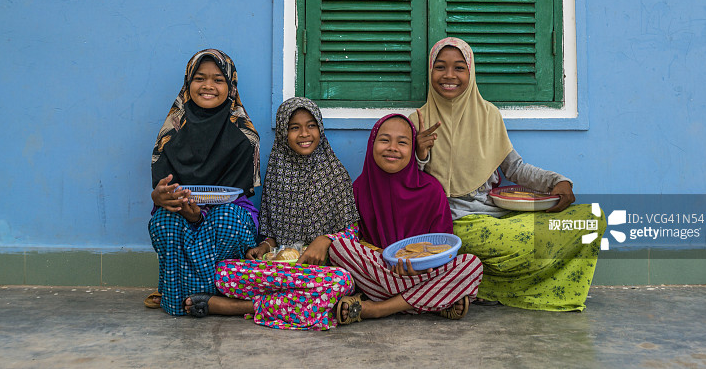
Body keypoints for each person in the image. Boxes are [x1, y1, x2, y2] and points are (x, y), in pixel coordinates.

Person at [408, 37, 605, 311]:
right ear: (430, 71)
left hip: (497, 212)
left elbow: (514, 168)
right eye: (440, 67)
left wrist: (557, 181)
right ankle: (482, 284)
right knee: (520, 240)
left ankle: (483, 285)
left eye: (459, 68)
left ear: (471, 72)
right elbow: (406, 185)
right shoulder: (416, 121)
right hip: (454, 221)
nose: (449, 76)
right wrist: (419, 153)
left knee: (588, 219)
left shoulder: (489, 115)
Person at [183, 97, 359, 330]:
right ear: (283, 134)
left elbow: (353, 232)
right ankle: (297, 305)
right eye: (294, 127)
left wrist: (325, 240)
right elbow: (270, 233)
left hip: (319, 271)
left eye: (311, 125)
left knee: (341, 282)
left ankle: (240, 307)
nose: (304, 134)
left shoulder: (336, 174)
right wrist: (264, 247)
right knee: (223, 273)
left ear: (320, 129)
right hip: (277, 270)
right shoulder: (277, 172)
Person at [328, 114, 483, 324]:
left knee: (471, 265)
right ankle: (435, 300)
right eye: (384, 140)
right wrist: (385, 257)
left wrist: (421, 265)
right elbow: (356, 239)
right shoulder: (359, 189)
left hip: (426, 272)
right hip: (383, 270)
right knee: (338, 248)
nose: (392, 147)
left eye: (402, 142)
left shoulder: (431, 190)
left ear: (412, 150)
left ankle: (378, 308)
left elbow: (445, 247)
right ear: (372, 144)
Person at [146, 49, 261, 315]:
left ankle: (210, 298)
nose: (208, 86)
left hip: (228, 215)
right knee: (165, 222)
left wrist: (201, 216)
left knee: (226, 221)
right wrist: (160, 197)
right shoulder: (171, 131)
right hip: (180, 211)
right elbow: (162, 189)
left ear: (230, 87)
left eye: (218, 79)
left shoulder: (244, 136)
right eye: (199, 78)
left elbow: (240, 197)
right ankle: (186, 298)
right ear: (188, 84)